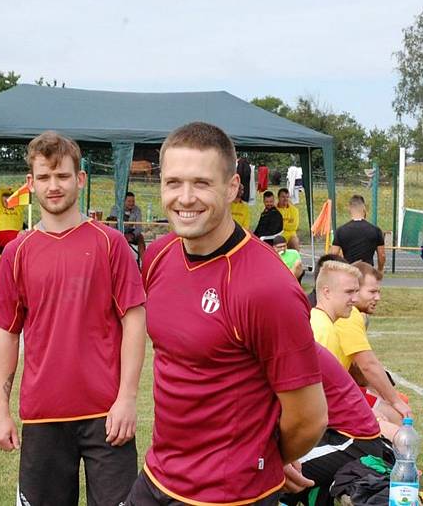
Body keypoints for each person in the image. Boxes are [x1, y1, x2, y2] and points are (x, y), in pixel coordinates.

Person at [127, 121, 327, 505]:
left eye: (202, 183)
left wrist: (263, 458)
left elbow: (310, 418)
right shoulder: (159, 256)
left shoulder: (268, 288)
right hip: (159, 477)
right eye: (173, 183)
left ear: (232, 187)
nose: (185, 198)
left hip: (231, 495)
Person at [0, 131, 147, 506]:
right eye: (44, 177)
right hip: (43, 417)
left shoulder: (111, 244)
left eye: (62, 176)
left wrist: (127, 398)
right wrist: (0, 411)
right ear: (31, 184)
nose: (53, 186)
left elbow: (134, 322)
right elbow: (6, 335)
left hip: (107, 417)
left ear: (80, 179)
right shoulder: (17, 253)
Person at [281, 345, 395, 506]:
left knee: (269, 471)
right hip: (332, 433)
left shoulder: (292, 350)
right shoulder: (292, 345)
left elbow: (296, 414)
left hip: (352, 440)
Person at [327, 261, 412, 425]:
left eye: (378, 292)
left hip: (332, 391)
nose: (378, 298)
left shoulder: (349, 315)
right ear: (355, 290)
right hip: (331, 396)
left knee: (394, 401)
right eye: (372, 292)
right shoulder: (349, 316)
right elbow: (368, 365)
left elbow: (357, 370)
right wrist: (394, 401)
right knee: (399, 416)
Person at [330, 194, 386, 272]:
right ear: (364, 209)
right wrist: (380, 270)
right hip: (367, 272)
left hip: (349, 272)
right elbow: (382, 255)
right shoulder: (376, 230)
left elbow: (334, 254)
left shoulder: (341, 230)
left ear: (349, 209)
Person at [108, 191, 146, 264]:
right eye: (129, 201)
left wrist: (133, 235)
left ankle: (145, 264)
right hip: (118, 234)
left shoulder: (137, 210)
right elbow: (112, 227)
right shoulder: (115, 209)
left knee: (141, 238)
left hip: (131, 233)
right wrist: (121, 235)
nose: (131, 203)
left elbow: (139, 227)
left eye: (133, 201)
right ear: (123, 201)